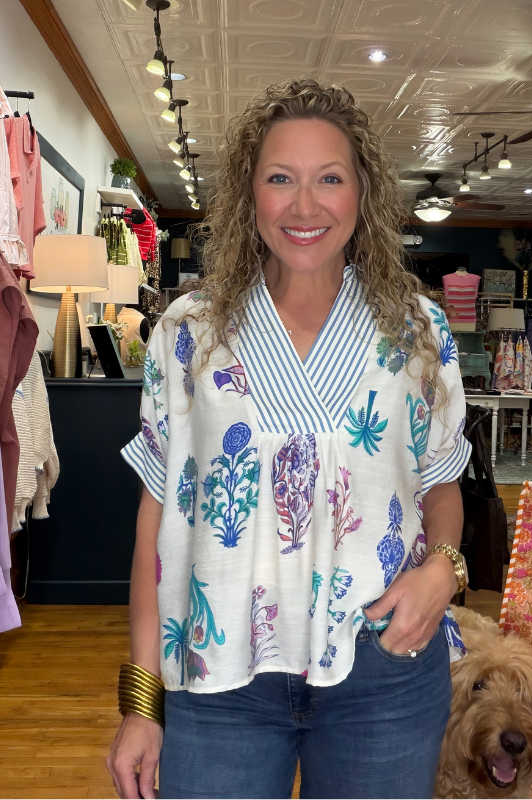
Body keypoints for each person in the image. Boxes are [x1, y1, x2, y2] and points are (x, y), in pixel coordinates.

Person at [107, 79, 471, 800]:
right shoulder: (189, 332)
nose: (305, 207)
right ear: (251, 197)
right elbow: (157, 519)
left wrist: (444, 571)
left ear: (362, 195)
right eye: (281, 179)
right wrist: (140, 704)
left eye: (329, 179)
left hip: (385, 672)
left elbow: (441, 482)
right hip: (219, 683)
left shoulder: (418, 331)